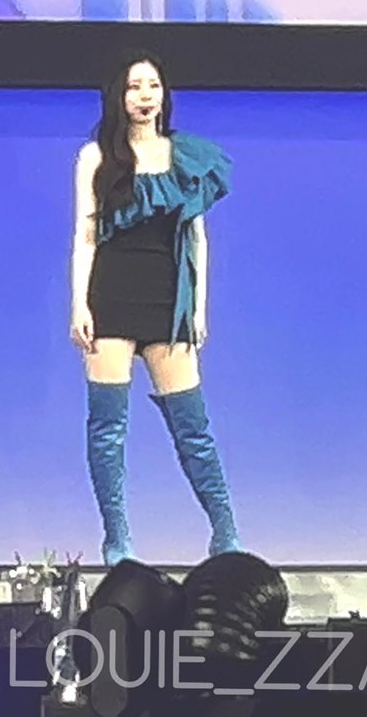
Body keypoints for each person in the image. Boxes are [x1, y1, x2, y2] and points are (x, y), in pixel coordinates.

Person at [72, 50, 240, 566]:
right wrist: (79, 304)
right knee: (107, 429)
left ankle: (226, 533)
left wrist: (199, 309)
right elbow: (85, 235)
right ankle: (117, 540)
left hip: (168, 302)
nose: (145, 96)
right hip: (110, 298)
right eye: (134, 87)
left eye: (152, 85)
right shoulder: (96, 157)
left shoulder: (186, 157)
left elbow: (198, 238)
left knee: (193, 428)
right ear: (118, 97)